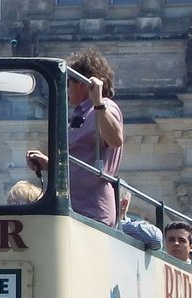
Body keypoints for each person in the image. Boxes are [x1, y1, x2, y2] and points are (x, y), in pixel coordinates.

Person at [26, 48, 124, 227]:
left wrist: (98, 103)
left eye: (68, 82)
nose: (66, 88)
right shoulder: (80, 114)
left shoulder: (105, 108)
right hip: (73, 207)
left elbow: (115, 140)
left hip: (93, 211)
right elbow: (80, 159)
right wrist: (49, 164)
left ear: (82, 83)